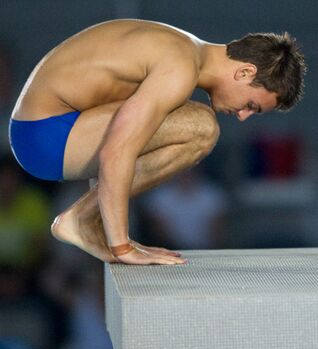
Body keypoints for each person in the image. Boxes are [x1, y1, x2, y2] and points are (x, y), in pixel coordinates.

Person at [9, 19, 306, 265]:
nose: (242, 116)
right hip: (44, 135)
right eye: (251, 105)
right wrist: (122, 247)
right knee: (201, 127)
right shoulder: (180, 67)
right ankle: (82, 220)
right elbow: (117, 149)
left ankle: (83, 220)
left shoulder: (185, 47)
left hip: (47, 127)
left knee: (187, 117)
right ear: (244, 72)